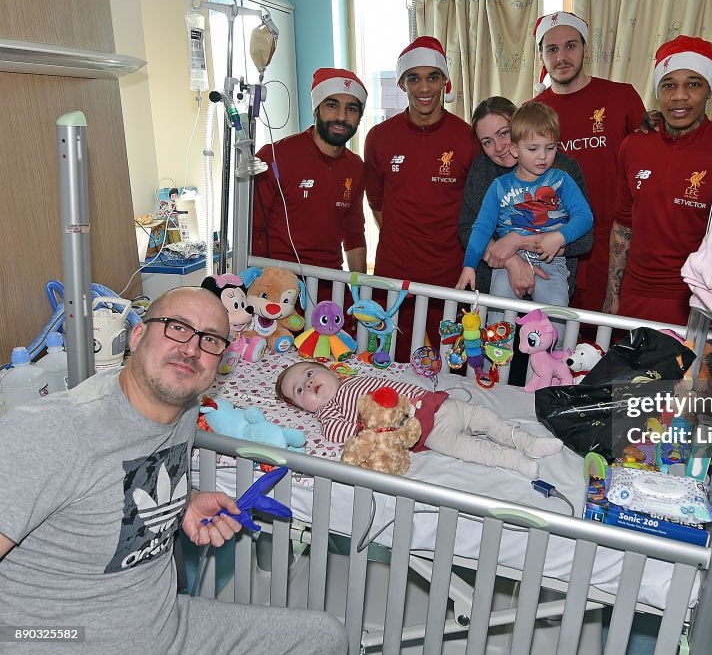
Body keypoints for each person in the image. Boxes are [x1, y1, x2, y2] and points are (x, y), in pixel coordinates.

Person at [0, 287, 346, 653]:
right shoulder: (50, 432)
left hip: (166, 627)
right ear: (137, 336)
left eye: (210, 339)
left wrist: (185, 503)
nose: (192, 348)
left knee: (325, 637)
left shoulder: (184, 409)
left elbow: (118, 489)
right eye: (176, 327)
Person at [606, 35, 712, 326]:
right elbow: (623, 225)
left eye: (693, 84)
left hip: (697, 304)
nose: (679, 96)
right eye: (669, 85)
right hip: (634, 298)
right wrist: (613, 294)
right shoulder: (634, 145)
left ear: (709, 91)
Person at [362, 36, 480, 359]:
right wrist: (406, 242)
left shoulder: (467, 138)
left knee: (455, 366)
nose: (424, 87)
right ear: (402, 83)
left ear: (445, 81)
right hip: (395, 275)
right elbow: (377, 204)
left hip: (451, 276)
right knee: (390, 362)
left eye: (432, 77)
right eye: (414, 78)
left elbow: (477, 212)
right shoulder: (379, 138)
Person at [530, 11, 646, 314]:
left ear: (585, 49)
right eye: (551, 49)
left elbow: (647, 167)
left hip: (612, 249)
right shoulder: (532, 113)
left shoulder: (621, 98)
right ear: (541, 56)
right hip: (553, 250)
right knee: (552, 343)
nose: (561, 57)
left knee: (605, 343)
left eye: (570, 46)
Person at [276, 361, 563, 478]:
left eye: (310, 374)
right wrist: (324, 412)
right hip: (425, 432)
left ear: (329, 369)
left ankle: (529, 442)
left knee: (487, 419)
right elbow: (338, 435)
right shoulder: (332, 409)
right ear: (305, 407)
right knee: (473, 449)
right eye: (300, 391)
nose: (308, 384)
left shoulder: (355, 376)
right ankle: (517, 462)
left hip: (437, 403)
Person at [457, 102, 593, 314]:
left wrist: (521, 241)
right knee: (498, 329)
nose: (499, 146)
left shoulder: (561, 173)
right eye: (487, 141)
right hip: (500, 270)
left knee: (554, 329)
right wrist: (472, 265)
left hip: (552, 265)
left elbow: (585, 232)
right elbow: (474, 228)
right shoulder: (489, 177)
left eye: (504, 133)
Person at [253, 67, 368, 277]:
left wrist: (360, 290)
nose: (341, 117)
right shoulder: (275, 156)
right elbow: (253, 232)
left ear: (359, 117)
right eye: (332, 105)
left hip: (330, 284)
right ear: (316, 110)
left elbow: (354, 236)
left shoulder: (355, 167)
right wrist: (263, 283)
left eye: (351, 109)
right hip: (280, 286)